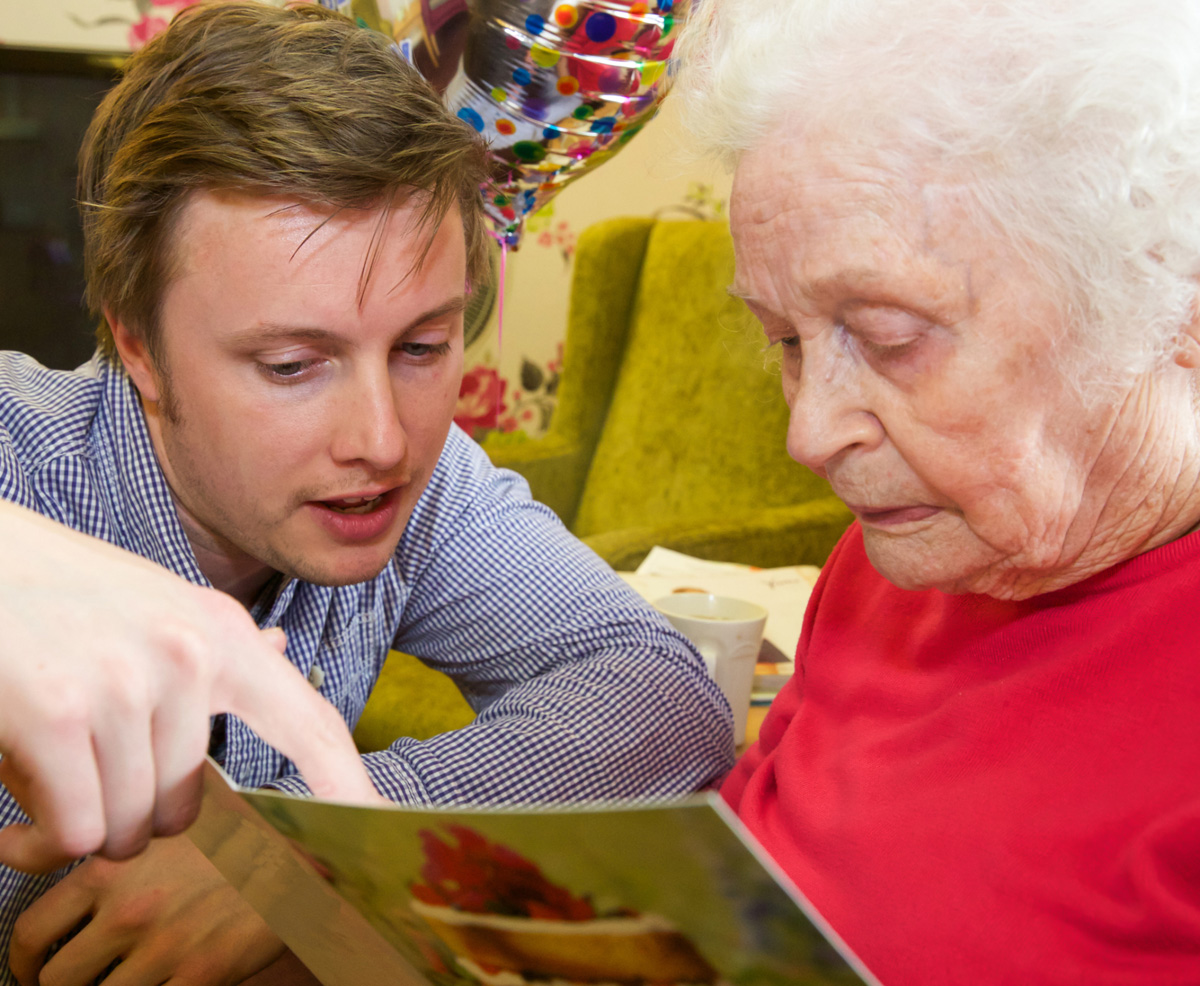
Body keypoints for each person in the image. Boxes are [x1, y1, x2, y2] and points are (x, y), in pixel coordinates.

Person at [0, 3, 733, 984]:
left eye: (424, 346)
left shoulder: (419, 489)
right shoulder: (23, 460)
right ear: (137, 340)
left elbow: (660, 689)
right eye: (295, 364)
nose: (382, 440)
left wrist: (299, 852)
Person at [674, 0, 1200, 982]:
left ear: (1174, 301)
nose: (809, 434)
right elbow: (757, 846)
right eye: (784, 342)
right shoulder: (903, 549)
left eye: (888, 339)